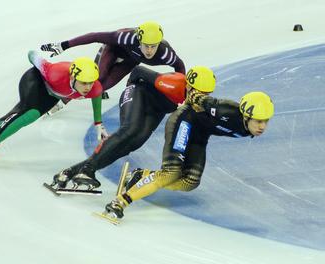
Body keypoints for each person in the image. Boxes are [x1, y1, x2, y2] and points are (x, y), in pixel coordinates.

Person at [104, 90, 275, 219]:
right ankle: (120, 202)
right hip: (184, 122)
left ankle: (141, 176)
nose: (263, 127)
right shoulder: (225, 110)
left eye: (266, 121)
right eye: (259, 121)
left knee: (190, 182)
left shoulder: (250, 128)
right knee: (171, 172)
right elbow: (195, 95)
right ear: (245, 117)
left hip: (199, 135)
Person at [48, 65, 216, 189]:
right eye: (197, 91)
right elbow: (137, 71)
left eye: (205, 93)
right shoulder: (171, 83)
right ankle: (88, 169)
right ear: (188, 85)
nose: (200, 96)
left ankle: (70, 172)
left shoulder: (200, 103)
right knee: (129, 130)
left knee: (132, 144)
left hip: (156, 108)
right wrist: (129, 88)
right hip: (138, 93)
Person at [0, 51, 102, 169]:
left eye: (91, 82)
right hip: (35, 81)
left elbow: (97, 98)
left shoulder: (94, 88)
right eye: (84, 83)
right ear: (73, 77)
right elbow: (32, 54)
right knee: (27, 115)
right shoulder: (55, 72)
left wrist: (98, 124)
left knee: (5, 122)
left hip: (51, 95)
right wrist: (39, 54)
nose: (88, 87)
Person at [40, 21, 186, 141]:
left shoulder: (165, 53)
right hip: (114, 49)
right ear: (138, 40)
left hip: (130, 60)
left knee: (101, 87)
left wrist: (181, 95)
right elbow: (95, 36)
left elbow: (179, 66)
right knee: (97, 78)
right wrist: (64, 45)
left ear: (159, 44)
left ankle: (65, 99)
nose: (149, 51)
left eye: (153, 46)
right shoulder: (126, 37)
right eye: (145, 45)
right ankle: (61, 100)